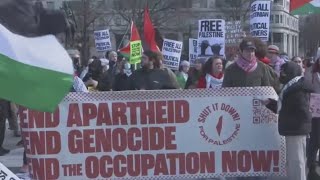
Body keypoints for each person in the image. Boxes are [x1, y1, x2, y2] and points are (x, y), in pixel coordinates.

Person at [264, 62, 312, 180]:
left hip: (296, 129)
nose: (282, 74)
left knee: (297, 161)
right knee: (293, 160)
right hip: (293, 128)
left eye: (284, 72)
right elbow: (286, 108)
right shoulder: (292, 86)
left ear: (292, 72)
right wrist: (271, 104)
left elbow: (300, 110)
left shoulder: (297, 89)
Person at [305, 57, 320, 180]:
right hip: (316, 109)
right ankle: (312, 168)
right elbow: (307, 87)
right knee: (315, 139)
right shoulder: (311, 71)